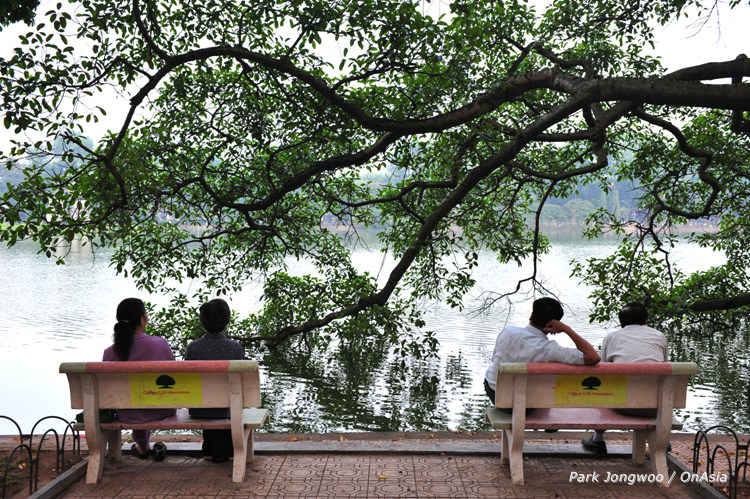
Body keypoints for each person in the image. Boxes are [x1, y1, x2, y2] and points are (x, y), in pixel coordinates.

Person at [581, 302, 669, 455]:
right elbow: (665, 366)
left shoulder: (612, 337)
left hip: (622, 405)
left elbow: (601, 370)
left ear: (621, 324)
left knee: (604, 385)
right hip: (656, 407)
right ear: (646, 322)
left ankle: (598, 438)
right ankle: (662, 440)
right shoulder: (659, 336)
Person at [484, 297, 601, 407]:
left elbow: (494, 358)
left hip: (496, 396)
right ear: (554, 324)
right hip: (527, 406)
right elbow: (593, 356)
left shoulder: (507, 331)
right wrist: (566, 329)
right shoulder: (550, 350)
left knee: (491, 371)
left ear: (531, 315)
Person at [102, 297, 176, 460]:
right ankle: (142, 446)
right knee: (146, 395)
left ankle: (142, 447)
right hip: (162, 408)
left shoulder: (110, 352)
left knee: (135, 400)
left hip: (127, 413)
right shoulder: (160, 344)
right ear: (142, 319)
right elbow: (175, 378)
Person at [184, 298, 244, 463]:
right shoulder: (235, 348)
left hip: (198, 409)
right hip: (227, 407)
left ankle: (211, 450)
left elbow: (186, 380)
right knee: (227, 403)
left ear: (202, 322)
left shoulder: (193, 348)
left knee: (209, 400)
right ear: (227, 320)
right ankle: (225, 450)